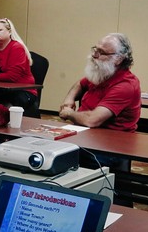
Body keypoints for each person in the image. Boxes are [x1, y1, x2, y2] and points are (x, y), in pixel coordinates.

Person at [59, 33, 141, 181]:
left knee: (60, 158)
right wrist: (69, 99)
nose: (94, 55)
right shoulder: (103, 72)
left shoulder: (125, 85)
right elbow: (80, 83)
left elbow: (93, 120)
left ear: (118, 59)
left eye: (101, 52)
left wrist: (69, 113)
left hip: (110, 148)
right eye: (94, 49)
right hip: (87, 136)